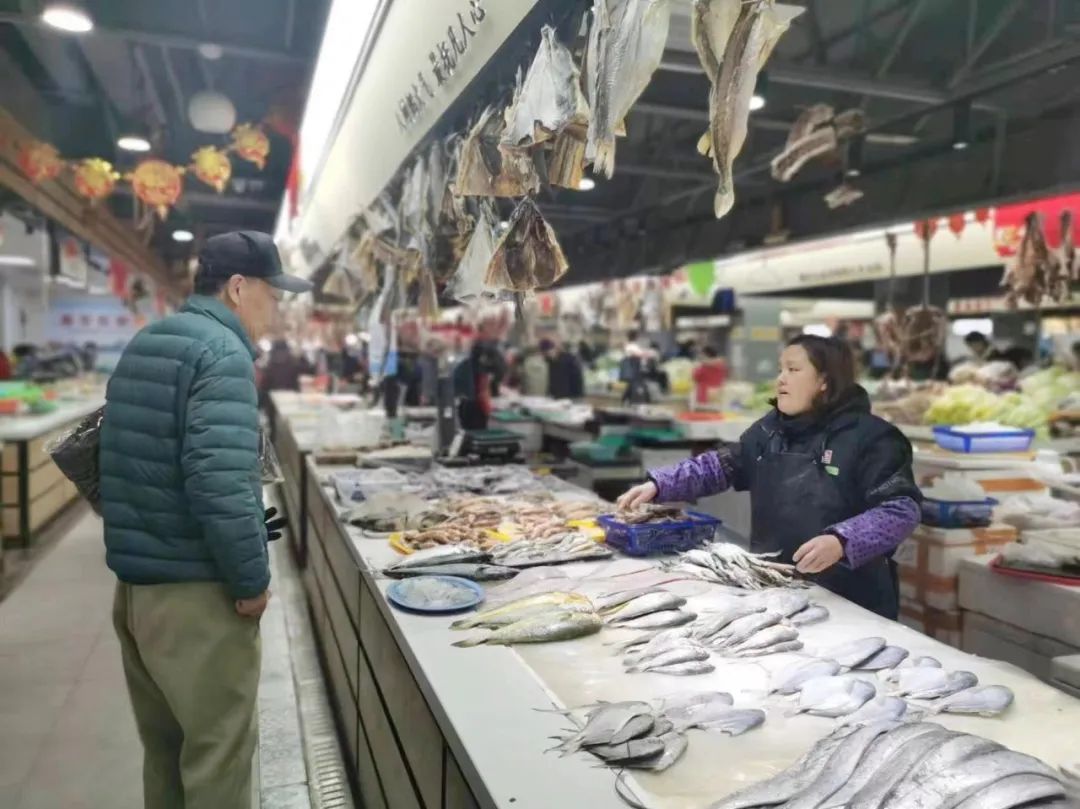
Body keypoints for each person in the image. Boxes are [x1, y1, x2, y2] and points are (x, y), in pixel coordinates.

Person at [99, 230, 312, 808]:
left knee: (166, 752)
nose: (276, 309)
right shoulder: (222, 354)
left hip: (139, 593)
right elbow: (219, 482)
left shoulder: (150, 340)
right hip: (196, 598)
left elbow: (114, 460)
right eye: (273, 294)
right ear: (239, 288)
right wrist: (250, 581)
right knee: (219, 758)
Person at [618, 335, 921, 619]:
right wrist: (660, 484)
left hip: (852, 601)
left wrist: (843, 540)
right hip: (775, 588)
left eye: (793, 369)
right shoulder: (771, 430)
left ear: (825, 381)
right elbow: (722, 466)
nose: (781, 379)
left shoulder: (873, 438)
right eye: (780, 369)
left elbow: (900, 509)